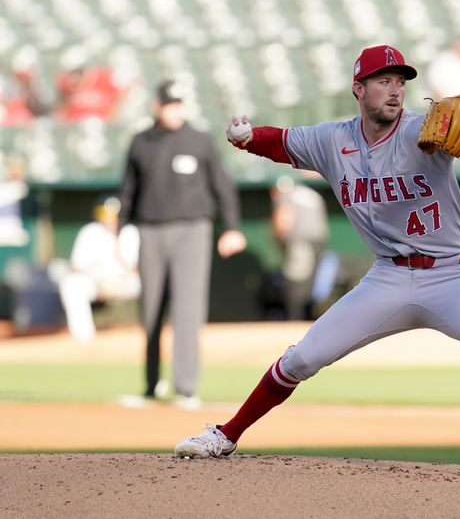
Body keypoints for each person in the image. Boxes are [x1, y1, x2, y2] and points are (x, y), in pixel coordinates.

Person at [175, 45, 460, 475]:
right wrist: (247, 138)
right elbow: (281, 142)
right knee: (303, 357)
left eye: (400, 82)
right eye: (384, 81)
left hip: (452, 273)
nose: (395, 91)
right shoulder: (333, 140)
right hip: (389, 277)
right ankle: (225, 435)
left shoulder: (425, 133)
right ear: (359, 88)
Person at [118, 80, 247, 409]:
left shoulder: (200, 140)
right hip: (149, 229)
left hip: (193, 229)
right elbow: (128, 191)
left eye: (179, 104)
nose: (175, 110)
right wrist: (121, 231)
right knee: (149, 312)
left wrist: (231, 228)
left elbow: (222, 187)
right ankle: (150, 386)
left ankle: (186, 388)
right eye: (169, 104)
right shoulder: (141, 142)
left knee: (188, 310)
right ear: (157, 105)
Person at [58, 196, 140, 343]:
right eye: (104, 214)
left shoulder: (130, 231)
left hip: (126, 282)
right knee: (71, 284)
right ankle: (84, 338)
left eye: (112, 215)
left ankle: (150, 333)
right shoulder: (90, 232)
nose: (108, 220)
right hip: (97, 282)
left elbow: (138, 267)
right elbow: (77, 266)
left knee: (153, 282)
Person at [270, 175, 329, 320]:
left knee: (296, 280)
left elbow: (283, 220)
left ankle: (294, 318)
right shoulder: (310, 194)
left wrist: (278, 238)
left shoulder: (287, 195)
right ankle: (306, 316)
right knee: (309, 281)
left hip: (300, 241)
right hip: (318, 241)